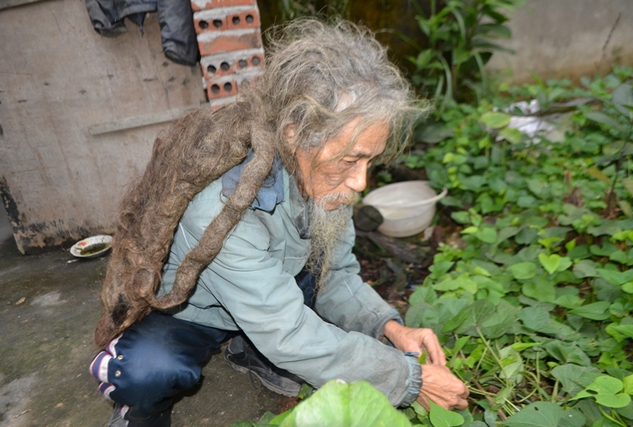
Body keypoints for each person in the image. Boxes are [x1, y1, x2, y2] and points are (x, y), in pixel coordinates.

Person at [89, 18, 469, 427]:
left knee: (298, 322)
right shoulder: (223, 211)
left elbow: (335, 275)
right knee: (148, 373)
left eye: (369, 160)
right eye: (350, 159)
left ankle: (250, 346)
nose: (361, 182)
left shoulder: (320, 176)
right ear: (293, 133)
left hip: (265, 293)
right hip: (191, 312)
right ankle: (137, 403)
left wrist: (390, 327)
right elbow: (289, 333)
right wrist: (410, 379)